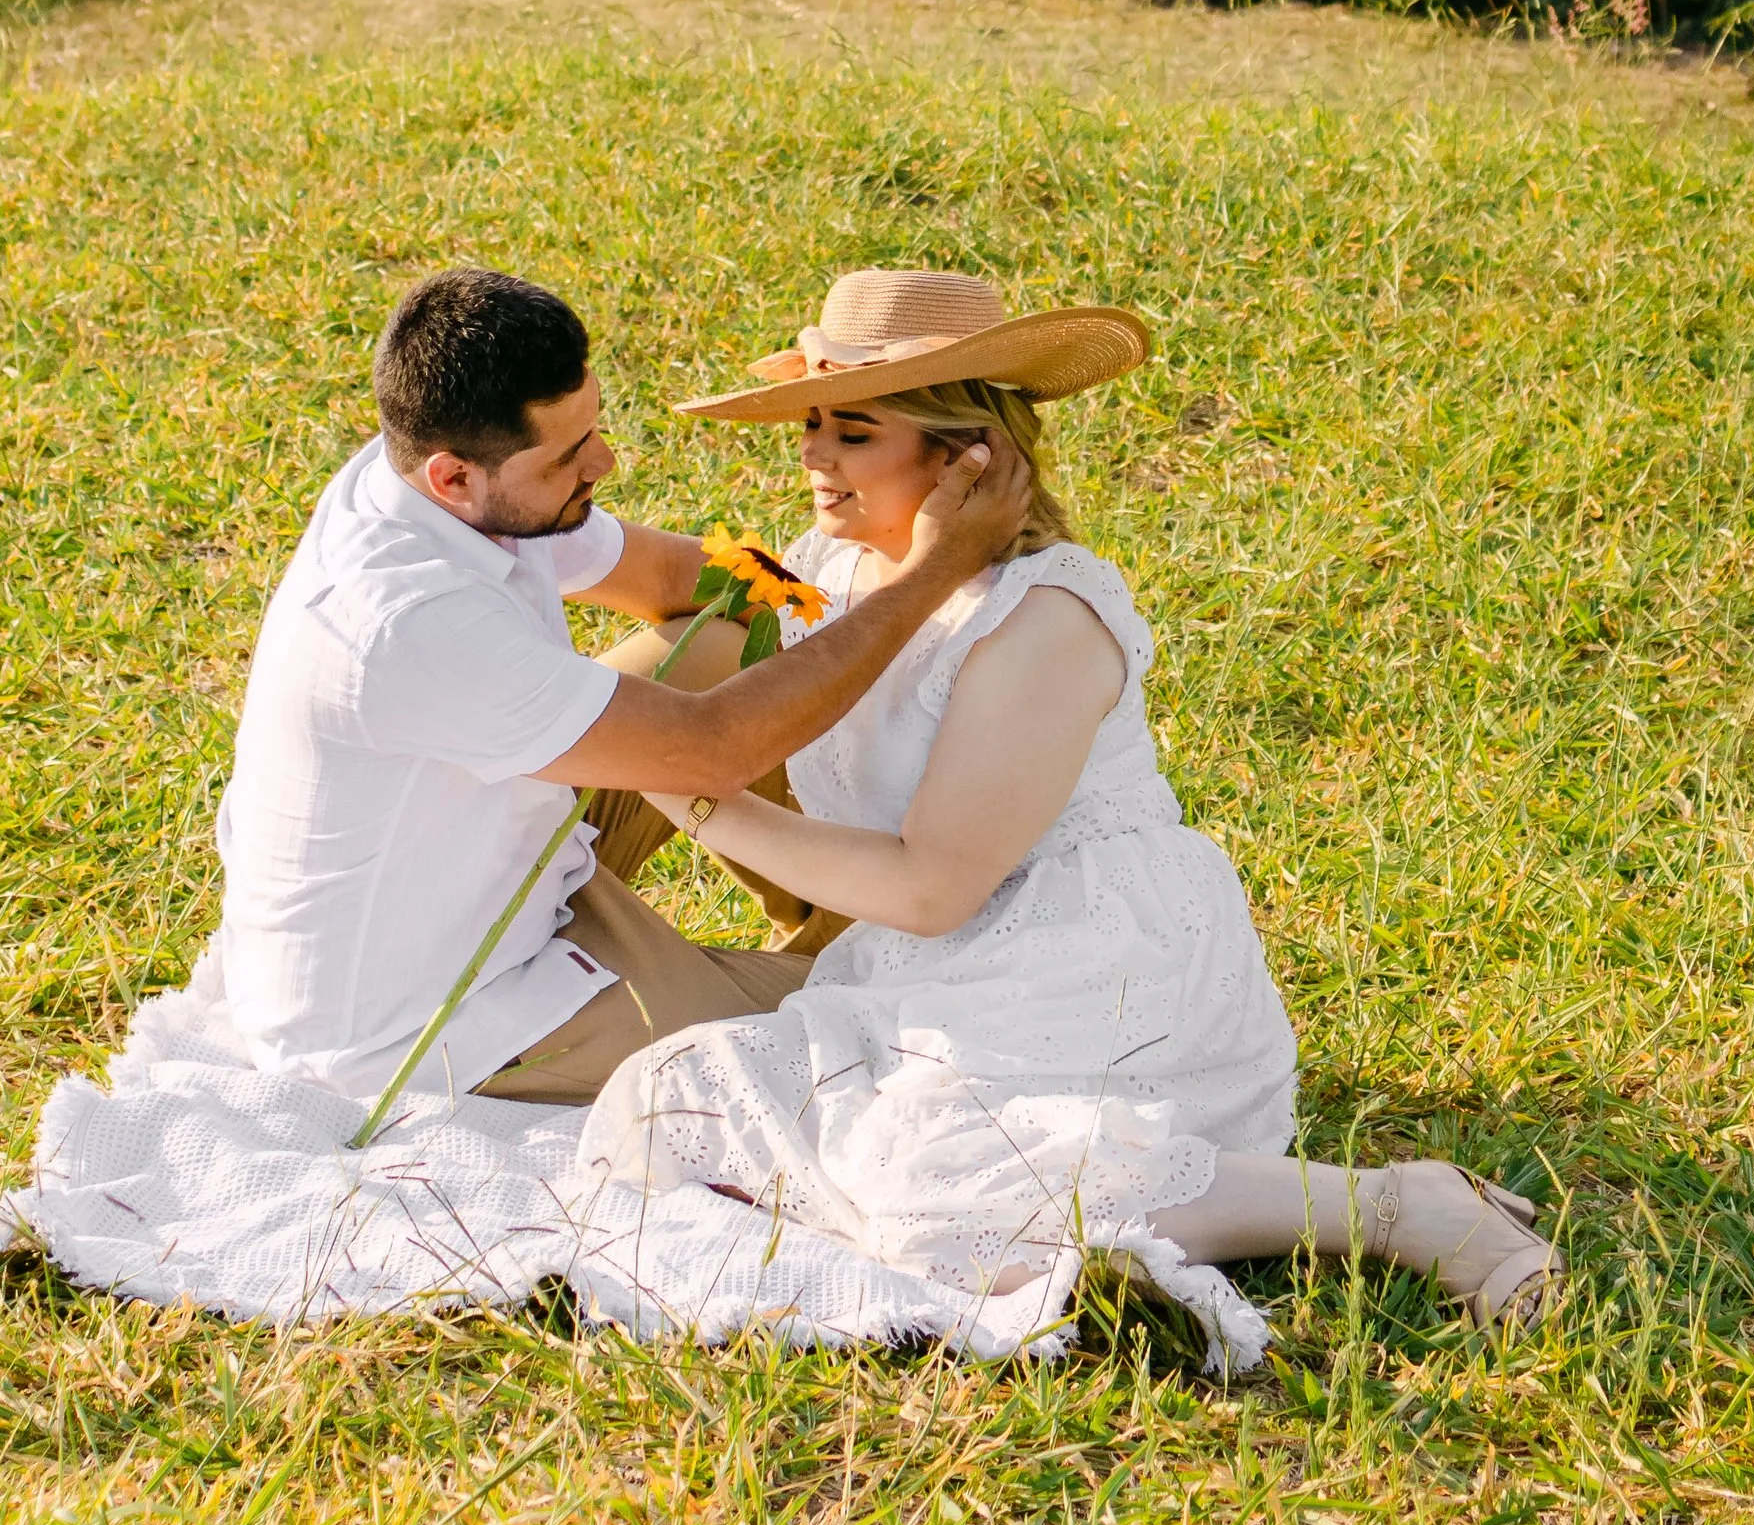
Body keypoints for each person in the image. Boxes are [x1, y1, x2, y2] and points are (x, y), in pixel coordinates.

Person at [580, 266, 1557, 1325]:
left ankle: (1395, 1210)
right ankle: (1065, 1214)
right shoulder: (826, 571)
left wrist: (687, 782)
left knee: (934, 1197)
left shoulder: (1044, 619)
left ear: (966, 455)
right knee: (662, 1103)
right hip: (929, 964)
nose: (812, 453)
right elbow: (650, 572)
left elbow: (932, 888)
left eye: (852, 430)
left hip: (1092, 957)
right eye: (812, 422)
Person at [214, 263, 1035, 1116]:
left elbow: (684, 581)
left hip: (505, 846)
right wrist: (938, 568)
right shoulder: (408, 620)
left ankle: (843, 916)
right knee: (856, 1034)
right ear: (453, 477)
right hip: (434, 1006)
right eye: (571, 455)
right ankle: (848, 955)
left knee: (731, 643)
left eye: (594, 427)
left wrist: (846, 594)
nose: (605, 460)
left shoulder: (443, 483)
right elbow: (719, 749)